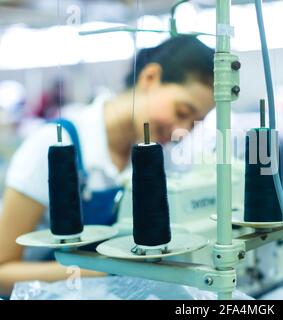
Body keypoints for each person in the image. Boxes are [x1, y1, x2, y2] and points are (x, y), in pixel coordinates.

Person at [0, 35, 215, 296]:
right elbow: (2, 271)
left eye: (194, 124)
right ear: (150, 78)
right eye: (182, 112)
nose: (182, 131)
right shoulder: (52, 145)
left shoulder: (157, 161)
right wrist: (112, 270)